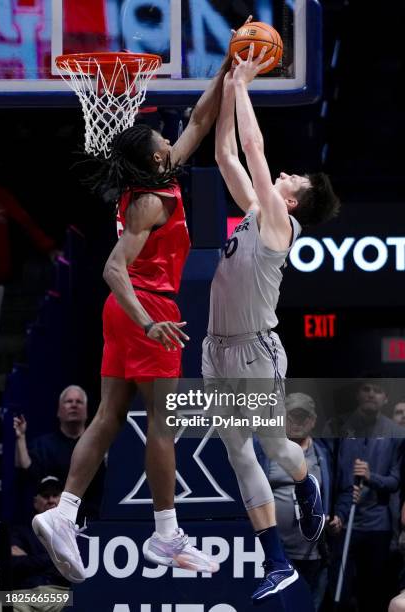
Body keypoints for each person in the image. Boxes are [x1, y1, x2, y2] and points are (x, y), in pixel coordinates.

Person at [31, 21, 250, 583]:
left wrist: (229, 66)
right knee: (160, 424)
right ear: (154, 158)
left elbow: (201, 119)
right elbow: (111, 267)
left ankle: (65, 514)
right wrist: (150, 322)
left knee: (108, 415)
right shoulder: (152, 200)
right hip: (146, 309)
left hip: (133, 313)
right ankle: (165, 534)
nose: (164, 135)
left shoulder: (156, 182)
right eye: (158, 137)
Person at [202, 46, 340, 603]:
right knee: (238, 453)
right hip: (217, 348)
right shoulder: (258, 212)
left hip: (257, 349)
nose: (285, 173)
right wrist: (228, 87)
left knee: (276, 448)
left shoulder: (280, 225)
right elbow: (226, 155)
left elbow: (256, 151)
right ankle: (277, 562)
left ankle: (306, 487)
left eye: (294, 177)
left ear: (294, 202)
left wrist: (242, 83)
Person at [329, 380, 405, 612]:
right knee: (338, 592)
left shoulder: (396, 434)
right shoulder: (337, 426)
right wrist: (339, 504)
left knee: (373, 593)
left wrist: (371, 477)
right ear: (357, 395)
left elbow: (395, 481)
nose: (371, 394)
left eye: (378, 390)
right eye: (366, 389)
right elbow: (329, 474)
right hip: (344, 521)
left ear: (385, 398)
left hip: (377, 525)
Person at [254, 393, 332, 610]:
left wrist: (339, 516)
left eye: (302, 416)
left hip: (314, 550)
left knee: (311, 604)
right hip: (278, 549)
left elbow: (339, 490)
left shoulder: (324, 452)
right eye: (291, 416)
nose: (296, 422)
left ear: (313, 420)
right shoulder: (264, 449)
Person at [14, 385, 105, 521]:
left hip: (91, 522)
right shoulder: (43, 446)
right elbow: (26, 470)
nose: (74, 405)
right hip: (51, 523)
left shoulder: (98, 446)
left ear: (86, 412)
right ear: (58, 411)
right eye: (69, 401)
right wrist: (20, 437)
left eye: (79, 402)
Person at [11, 476, 70, 612]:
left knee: (84, 601)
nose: (51, 500)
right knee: (0, 600)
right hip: (23, 595)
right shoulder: (20, 531)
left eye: (55, 495)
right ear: (35, 502)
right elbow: (13, 564)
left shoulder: (73, 530)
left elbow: (74, 569)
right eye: (45, 496)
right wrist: (56, 559)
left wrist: (30, 559)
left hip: (61, 595)